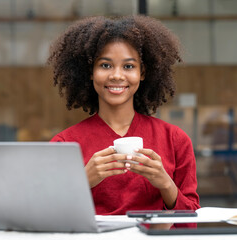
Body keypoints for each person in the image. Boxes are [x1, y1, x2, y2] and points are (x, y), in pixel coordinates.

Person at [47, 15, 200, 215]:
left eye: (128, 66)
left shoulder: (175, 140)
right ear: (90, 72)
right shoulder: (64, 144)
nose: (117, 76)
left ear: (142, 72)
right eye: (105, 65)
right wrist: (83, 180)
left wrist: (165, 184)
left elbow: (191, 221)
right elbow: (48, 216)